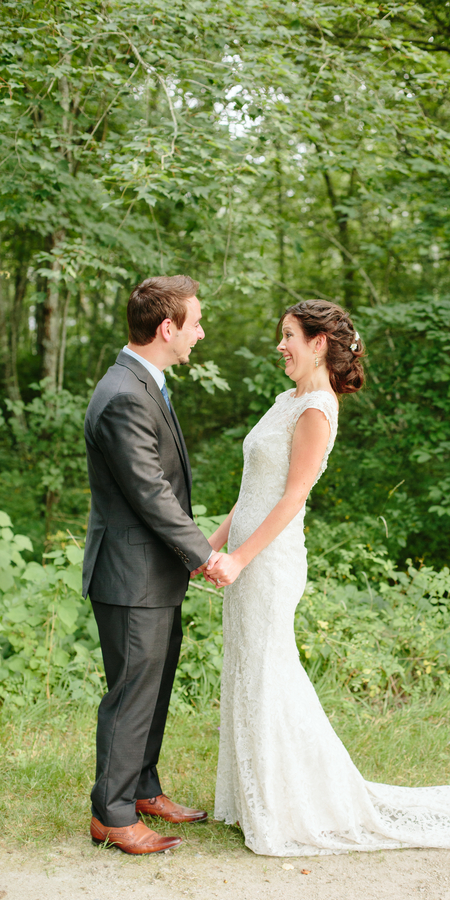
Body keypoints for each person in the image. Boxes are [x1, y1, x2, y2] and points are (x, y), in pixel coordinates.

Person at [204, 299, 450, 857]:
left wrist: (240, 558)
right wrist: (210, 546)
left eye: (288, 335)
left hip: (269, 563)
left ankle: (296, 805)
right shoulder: (284, 400)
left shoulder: (316, 409)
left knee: (270, 675)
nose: (280, 345)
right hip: (246, 557)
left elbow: (292, 498)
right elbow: (249, 496)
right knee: (248, 670)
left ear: (318, 343)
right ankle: (254, 797)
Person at [83, 275, 221, 855]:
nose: (200, 332)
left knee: (155, 686)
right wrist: (204, 554)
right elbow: (151, 493)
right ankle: (111, 815)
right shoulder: (122, 394)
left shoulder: (146, 383)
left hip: (154, 573)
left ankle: (142, 787)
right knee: (132, 691)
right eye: (194, 322)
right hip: (130, 575)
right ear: (167, 328)